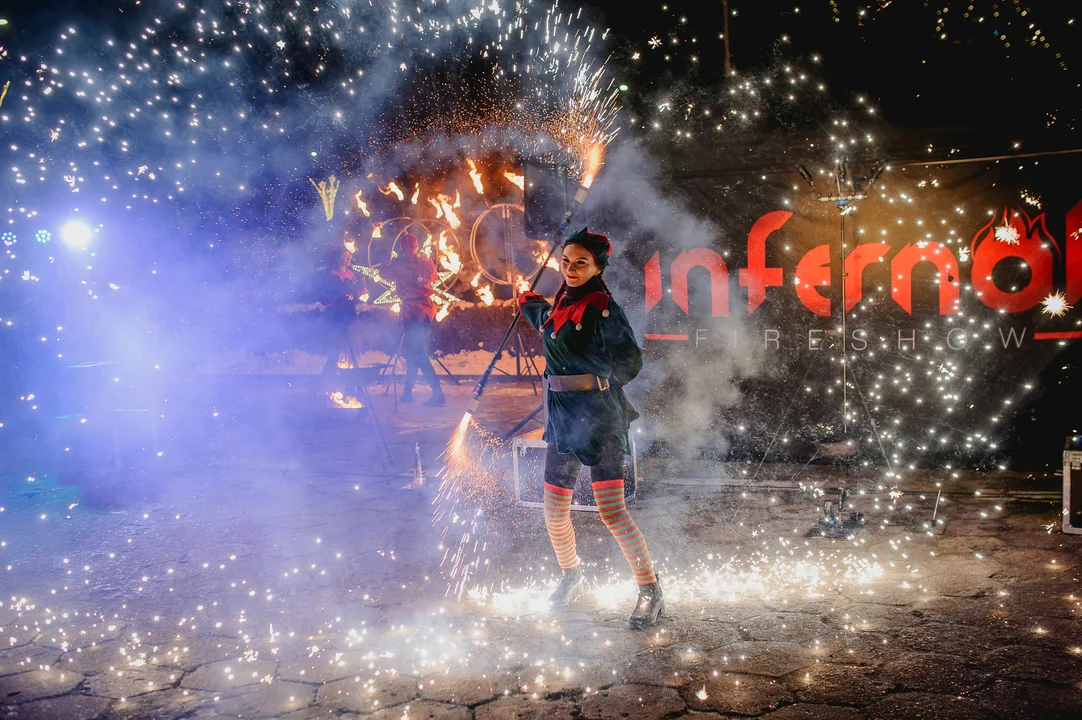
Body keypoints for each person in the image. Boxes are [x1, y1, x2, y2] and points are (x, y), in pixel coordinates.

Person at [518, 228, 662, 629]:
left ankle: (650, 589)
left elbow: (630, 361)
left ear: (598, 266)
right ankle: (571, 576)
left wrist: (600, 383)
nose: (571, 269)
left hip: (599, 417)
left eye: (581, 262)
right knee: (554, 510)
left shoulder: (603, 308)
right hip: (562, 417)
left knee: (611, 511)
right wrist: (526, 300)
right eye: (565, 262)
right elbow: (548, 324)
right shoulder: (560, 302)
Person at [382, 233, 445, 406]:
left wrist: (392, 261)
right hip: (422, 312)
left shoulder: (404, 263)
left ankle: (438, 393)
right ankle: (408, 392)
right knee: (413, 352)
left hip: (415, 312)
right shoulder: (424, 261)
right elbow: (432, 277)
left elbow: (384, 273)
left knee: (417, 353)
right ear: (417, 246)